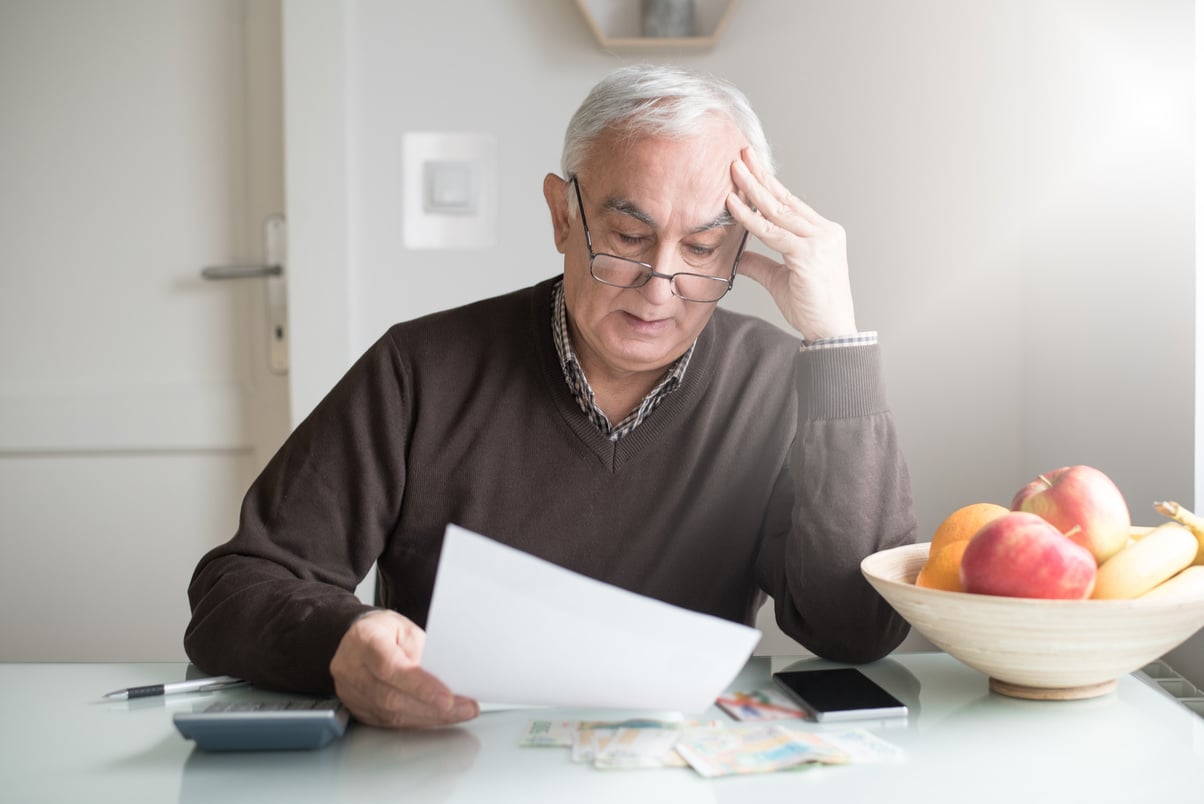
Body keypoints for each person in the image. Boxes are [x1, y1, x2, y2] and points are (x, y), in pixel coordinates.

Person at [185, 64, 916, 729]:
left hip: (678, 771)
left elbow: (854, 630)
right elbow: (237, 587)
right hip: (446, 756)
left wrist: (837, 346)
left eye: (702, 249)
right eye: (629, 235)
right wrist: (343, 639)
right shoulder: (419, 368)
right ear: (563, 215)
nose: (660, 286)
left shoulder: (779, 384)